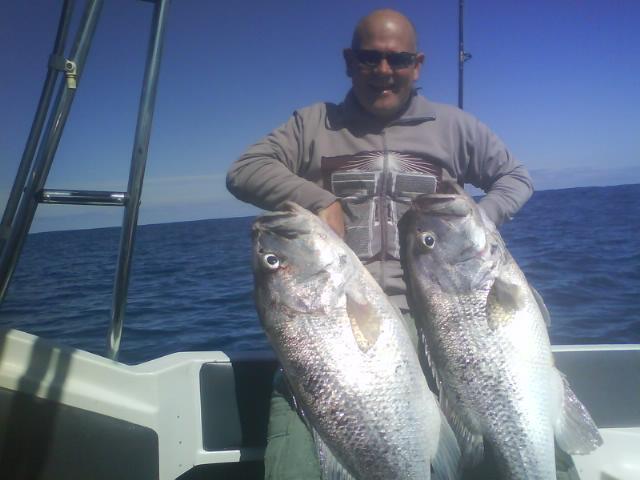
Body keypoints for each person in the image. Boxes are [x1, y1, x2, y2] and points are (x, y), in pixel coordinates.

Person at [227, 8, 575, 480]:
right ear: (349, 61)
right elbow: (244, 170)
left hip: (448, 320)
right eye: (369, 58)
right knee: (294, 462)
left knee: (528, 438)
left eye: (399, 59)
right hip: (336, 329)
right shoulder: (314, 125)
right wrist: (318, 199)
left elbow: (514, 177)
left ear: (418, 64)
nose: (384, 70)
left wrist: (479, 223)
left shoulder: (453, 126)